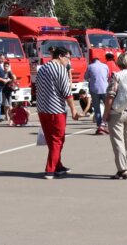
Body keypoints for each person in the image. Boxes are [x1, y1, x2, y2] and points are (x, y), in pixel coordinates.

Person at [34, 46, 80, 180]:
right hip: (56, 109)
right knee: (57, 140)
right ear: (60, 56)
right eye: (68, 58)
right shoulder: (60, 69)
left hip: (42, 109)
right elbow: (67, 92)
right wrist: (74, 109)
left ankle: (58, 165)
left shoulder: (43, 68)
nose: (68, 62)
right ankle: (50, 170)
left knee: (51, 139)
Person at [84, 54, 110, 134]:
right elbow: (108, 76)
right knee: (108, 107)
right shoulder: (105, 66)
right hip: (105, 89)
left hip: (94, 89)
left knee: (97, 108)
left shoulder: (90, 67)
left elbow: (85, 77)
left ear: (92, 61)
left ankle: (99, 126)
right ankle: (107, 124)